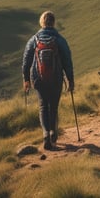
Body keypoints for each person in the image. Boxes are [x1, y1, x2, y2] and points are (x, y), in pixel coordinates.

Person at [22, 10, 74, 150]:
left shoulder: (34, 39)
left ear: (42, 22)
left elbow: (26, 61)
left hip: (38, 78)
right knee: (53, 107)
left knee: (43, 106)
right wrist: (70, 80)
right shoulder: (59, 39)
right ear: (53, 22)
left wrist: (26, 79)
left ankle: (45, 134)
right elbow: (67, 61)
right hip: (56, 78)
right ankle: (53, 132)